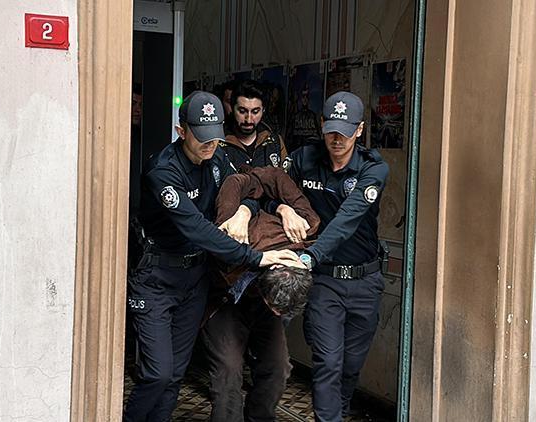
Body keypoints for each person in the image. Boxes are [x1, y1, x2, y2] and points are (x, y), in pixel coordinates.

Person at [122, 91, 301, 422]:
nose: (209, 145)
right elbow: (196, 228)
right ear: (181, 131)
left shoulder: (218, 160)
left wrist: (247, 210)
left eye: (215, 137)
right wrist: (257, 258)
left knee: (175, 373)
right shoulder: (163, 170)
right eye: (201, 138)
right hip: (157, 279)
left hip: (196, 280)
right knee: (157, 373)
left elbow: (253, 186)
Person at [275, 91, 390, 421]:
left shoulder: (373, 169)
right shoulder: (303, 159)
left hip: (365, 281)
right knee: (328, 363)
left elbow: (346, 220)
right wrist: (283, 207)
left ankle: (334, 415)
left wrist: (308, 257)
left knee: (351, 367)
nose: (337, 138)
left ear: (360, 129)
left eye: (346, 130)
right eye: (331, 129)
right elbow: (270, 190)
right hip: (325, 281)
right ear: (322, 125)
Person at [201, 166, 319, 422]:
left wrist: (284, 208)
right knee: (228, 372)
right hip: (226, 302)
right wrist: (244, 211)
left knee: (278, 368)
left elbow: (277, 177)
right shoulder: (231, 233)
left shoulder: (305, 227)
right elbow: (235, 181)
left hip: (262, 308)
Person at [219, 80, 288, 169]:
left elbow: (286, 178)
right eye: (242, 111)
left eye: (255, 112)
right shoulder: (218, 143)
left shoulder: (275, 141)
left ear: (263, 110)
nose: (248, 119)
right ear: (232, 108)